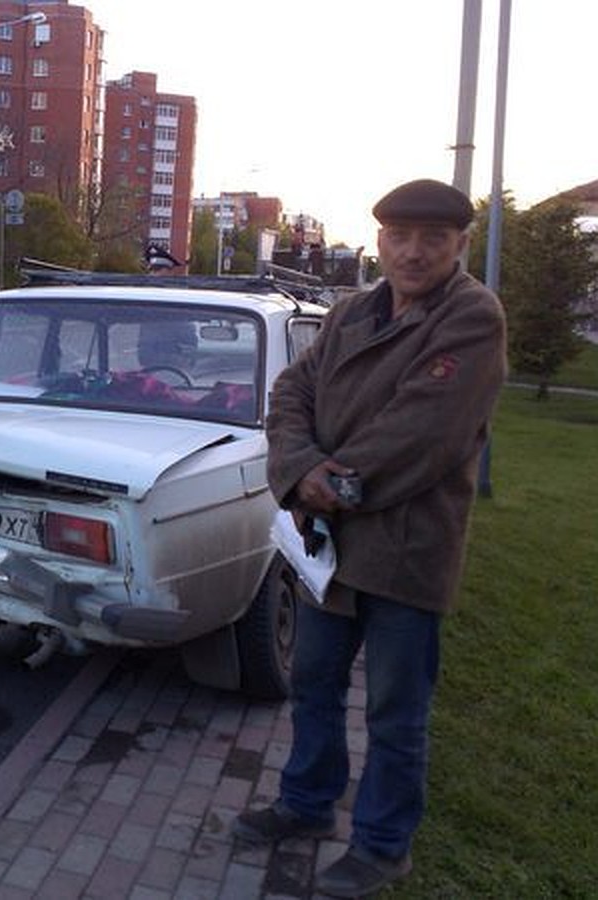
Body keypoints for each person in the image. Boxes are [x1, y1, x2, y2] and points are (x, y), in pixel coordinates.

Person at [233, 178, 507, 897]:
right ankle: (307, 804)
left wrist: (331, 484)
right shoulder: (354, 309)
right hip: (332, 547)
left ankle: (385, 845)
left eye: (434, 240)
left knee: (394, 708)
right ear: (379, 239)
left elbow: (427, 431)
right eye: (400, 237)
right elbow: (291, 392)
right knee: (315, 683)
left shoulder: (472, 317)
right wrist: (299, 470)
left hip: (408, 548)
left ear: (459, 246)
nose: (414, 253)